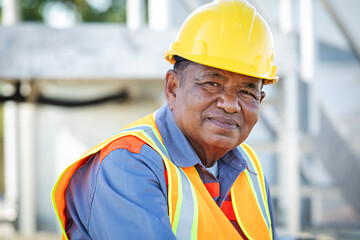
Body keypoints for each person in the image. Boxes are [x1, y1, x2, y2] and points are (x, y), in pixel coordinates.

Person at [52, 0, 279, 239]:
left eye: (246, 91)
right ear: (172, 88)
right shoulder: (128, 163)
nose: (230, 104)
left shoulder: (249, 167)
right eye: (212, 83)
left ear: (260, 100)